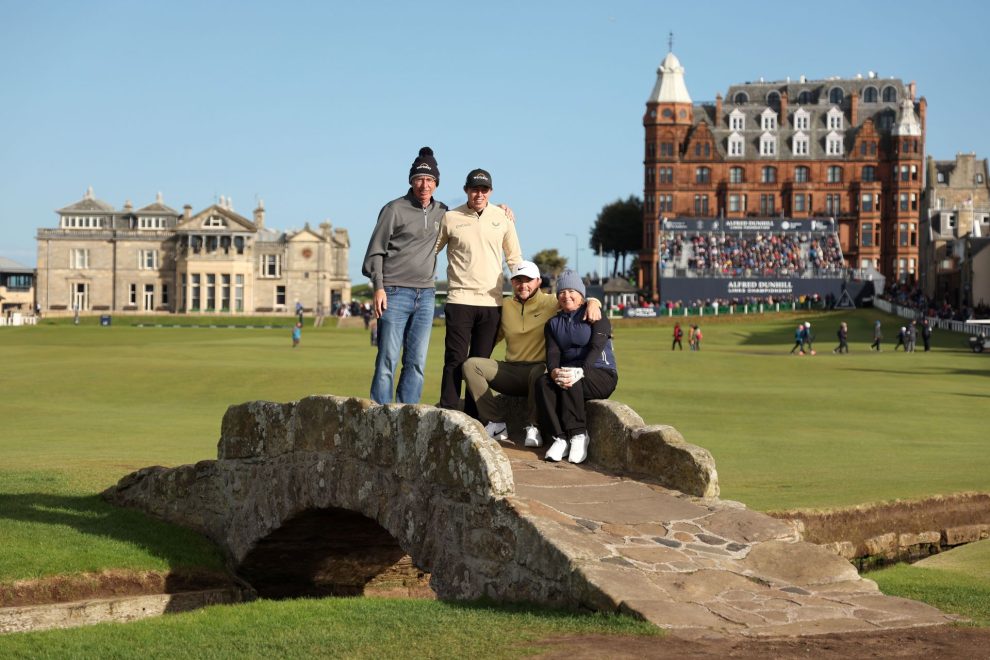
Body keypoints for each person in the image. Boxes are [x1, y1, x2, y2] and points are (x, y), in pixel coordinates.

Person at [462, 261, 601, 448]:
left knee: (540, 371)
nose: (523, 285)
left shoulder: (551, 302)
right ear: (512, 283)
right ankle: (495, 424)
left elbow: (576, 298)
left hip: (539, 369)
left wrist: (594, 302)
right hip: (511, 370)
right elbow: (492, 338)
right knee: (471, 365)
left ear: (538, 281)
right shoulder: (505, 306)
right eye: (518, 280)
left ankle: (533, 427)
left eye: (528, 280)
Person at [362, 147, 447, 404]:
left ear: (436, 183)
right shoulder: (393, 209)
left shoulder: (443, 211)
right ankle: (381, 417)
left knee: (416, 362)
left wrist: (499, 209)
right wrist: (378, 287)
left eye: (430, 180)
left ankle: (407, 417)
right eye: (420, 179)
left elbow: (472, 216)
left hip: (426, 295)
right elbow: (374, 252)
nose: (425, 185)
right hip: (394, 292)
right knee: (387, 358)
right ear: (411, 181)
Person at [435, 168, 522, 418]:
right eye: (474, 189)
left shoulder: (503, 217)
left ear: (491, 192)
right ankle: (449, 413)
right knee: (455, 358)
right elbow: (431, 250)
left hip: (492, 302)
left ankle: (475, 419)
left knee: (478, 363)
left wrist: (523, 289)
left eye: (484, 190)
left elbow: (514, 258)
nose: (479, 194)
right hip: (459, 299)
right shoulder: (451, 217)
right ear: (466, 190)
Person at [536, 271, 617, 464]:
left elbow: (597, 347)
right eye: (562, 292)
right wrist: (554, 371)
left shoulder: (594, 313)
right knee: (543, 383)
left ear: (581, 296)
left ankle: (579, 435)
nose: (566, 296)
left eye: (572, 291)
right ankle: (560, 437)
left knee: (571, 376)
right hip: (571, 375)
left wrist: (581, 370)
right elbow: (553, 354)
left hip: (600, 374)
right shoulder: (553, 323)